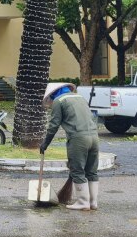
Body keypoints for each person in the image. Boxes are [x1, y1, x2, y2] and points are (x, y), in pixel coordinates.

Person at [41, 82, 101, 211]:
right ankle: (93, 202)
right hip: (94, 137)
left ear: (52, 94)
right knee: (91, 171)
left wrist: (45, 144)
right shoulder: (80, 98)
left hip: (78, 139)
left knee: (77, 171)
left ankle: (83, 202)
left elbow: (53, 126)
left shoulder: (59, 101)